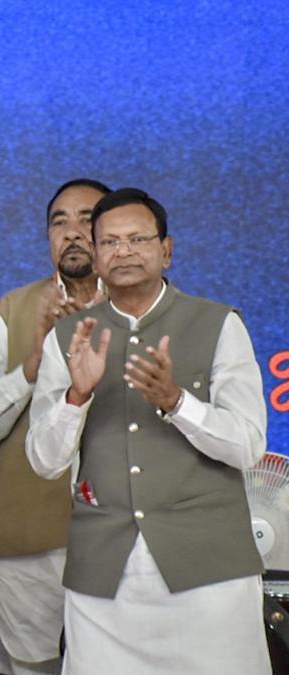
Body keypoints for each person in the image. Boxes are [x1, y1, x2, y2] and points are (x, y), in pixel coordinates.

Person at [27, 188, 270, 673]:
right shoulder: (68, 338)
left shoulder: (219, 324)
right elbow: (44, 460)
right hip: (103, 575)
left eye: (137, 239)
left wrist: (177, 402)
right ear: (96, 255)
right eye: (110, 242)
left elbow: (247, 445)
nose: (124, 251)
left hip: (210, 572)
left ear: (167, 250)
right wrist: (76, 397)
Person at [0, 178, 109, 674]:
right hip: (26, 543)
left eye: (87, 219)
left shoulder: (143, 307)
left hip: (125, 542)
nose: (72, 232)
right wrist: (35, 360)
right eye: (58, 222)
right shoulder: (11, 309)